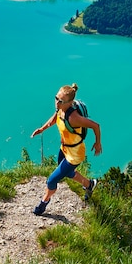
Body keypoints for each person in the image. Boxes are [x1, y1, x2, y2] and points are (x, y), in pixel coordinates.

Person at [29, 83, 102, 216]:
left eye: (60, 101)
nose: (57, 103)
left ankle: (42, 204)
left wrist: (98, 143)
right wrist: (42, 129)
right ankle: (89, 184)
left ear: (69, 103)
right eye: (56, 98)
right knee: (67, 173)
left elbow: (95, 126)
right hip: (64, 149)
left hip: (75, 154)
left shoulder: (74, 118)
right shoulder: (60, 109)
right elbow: (55, 118)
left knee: (51, 180)